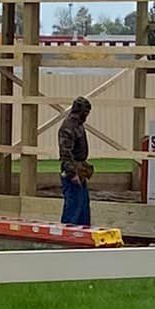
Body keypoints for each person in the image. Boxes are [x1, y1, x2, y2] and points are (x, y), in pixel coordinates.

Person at [57, 96, 93, 227]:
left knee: (82, 205)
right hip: (72, 171)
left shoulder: (77, 125)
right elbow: (65, 153)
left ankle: (83, 231)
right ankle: (68, 235)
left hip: (78, 168)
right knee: (73, 206)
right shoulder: (69, 127)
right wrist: (72, 174)